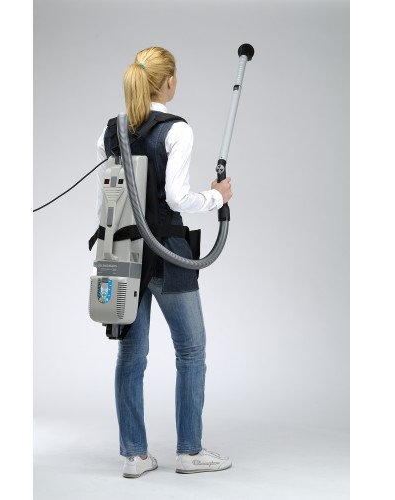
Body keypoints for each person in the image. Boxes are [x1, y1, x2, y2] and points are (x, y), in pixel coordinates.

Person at [95, 46, 233, 478]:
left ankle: (134, 456)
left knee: (131, 354)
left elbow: (115, 185)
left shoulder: (111, 130)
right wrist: (216, 198)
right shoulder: (177, 130)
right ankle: (190, 452)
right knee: (191, 351)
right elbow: (176, 198)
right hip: (169, 255)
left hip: (123, 253)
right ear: (169, 82)